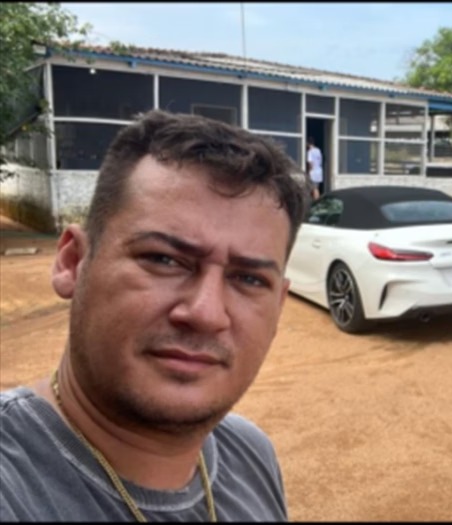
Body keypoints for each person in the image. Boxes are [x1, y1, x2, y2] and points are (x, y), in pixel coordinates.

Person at [0, 110, 308, 521]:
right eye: (164, 259)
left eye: (249, 279)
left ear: (278, 307)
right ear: (73, 262)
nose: (206, 313)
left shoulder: (250, 455)